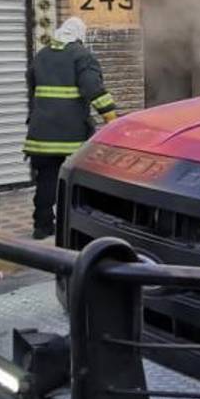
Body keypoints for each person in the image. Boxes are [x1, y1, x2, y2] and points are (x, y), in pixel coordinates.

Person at [24, 17, 117, 239]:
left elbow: (32, 83)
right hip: (71, 137)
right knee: (78, 179)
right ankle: (81, 224)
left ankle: (42, 226)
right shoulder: (82, 56)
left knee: (46, 180)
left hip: (40, 135)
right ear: (79, 35)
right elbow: (93, 89)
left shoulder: (42, 55)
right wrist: (112, 119)